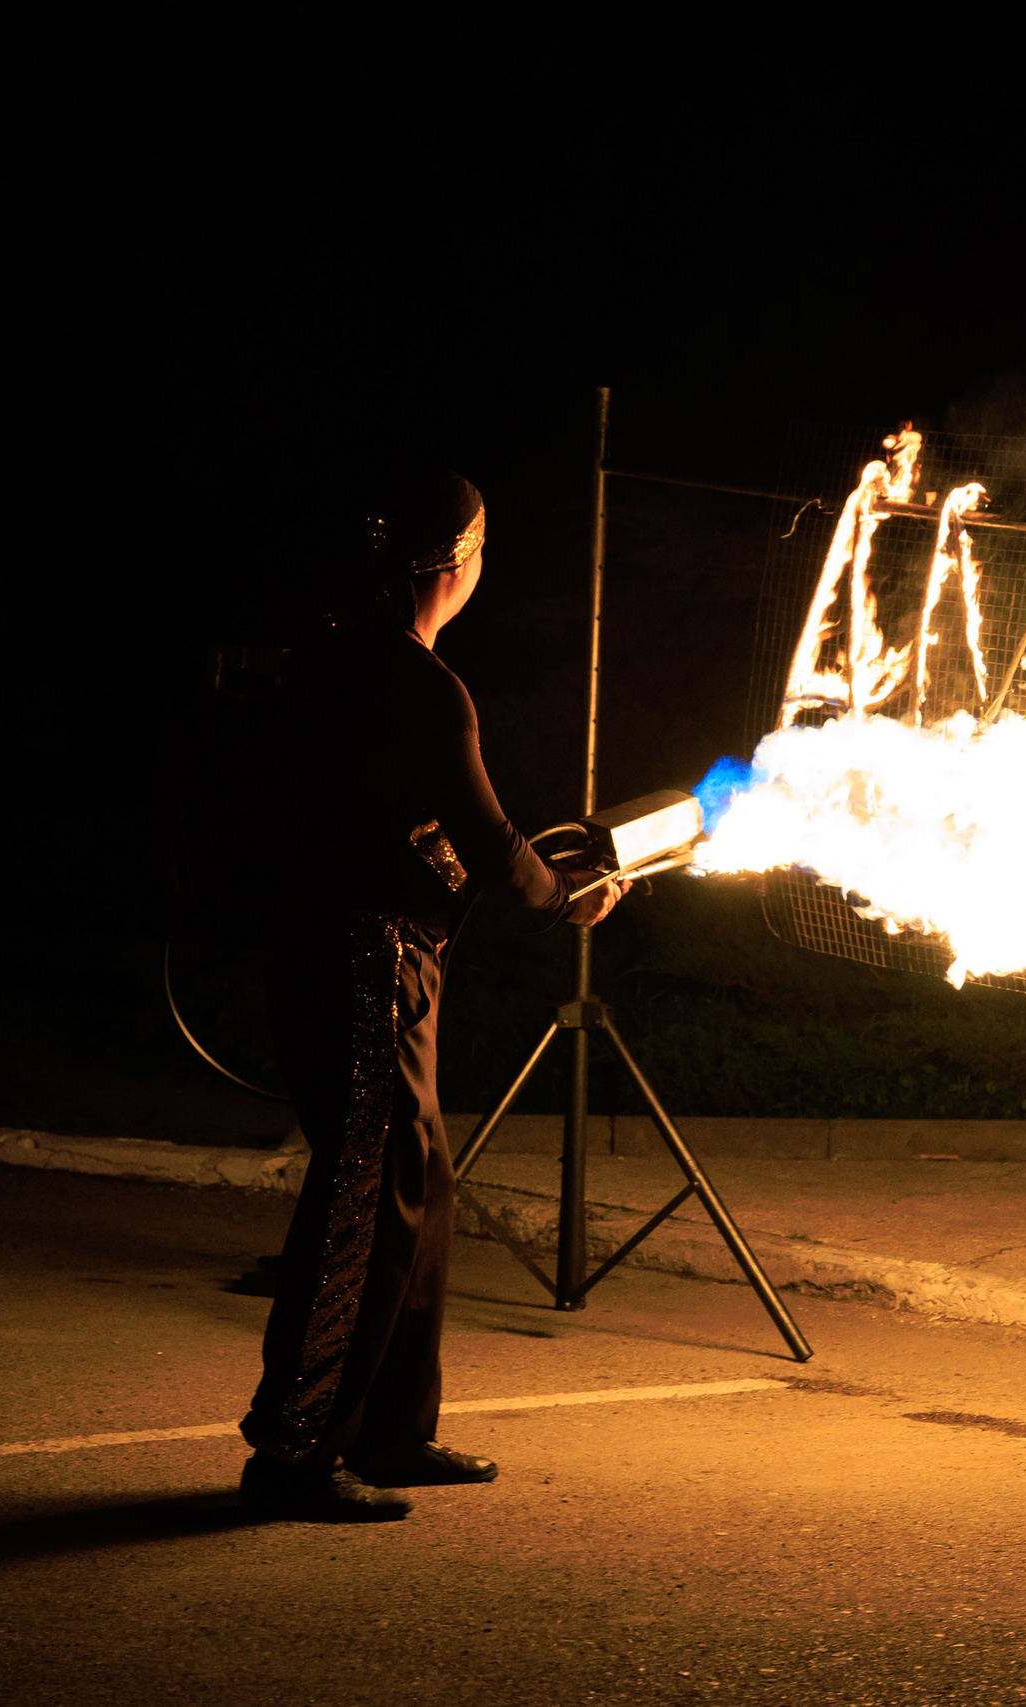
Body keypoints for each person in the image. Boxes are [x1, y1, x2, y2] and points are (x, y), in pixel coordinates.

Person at [238, 473, 620, 1522]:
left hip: (352, 954)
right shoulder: (417, 682)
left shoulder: (334, 657)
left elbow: (393, 819)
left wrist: (524, 873)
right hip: (368, 964)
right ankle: (297, 1448)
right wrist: (567, 897)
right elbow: (490, 841)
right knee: (366, 1196)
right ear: (456, 562)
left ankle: (391, 1429)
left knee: (422, 1184)